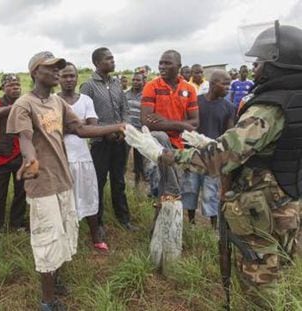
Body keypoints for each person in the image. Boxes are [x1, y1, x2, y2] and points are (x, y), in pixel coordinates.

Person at [126, 23, 302, 309]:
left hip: (262, 212)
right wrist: (210, 141)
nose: (254, 68)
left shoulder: (269, 108)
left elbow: (219, 159)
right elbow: (264, 149)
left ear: (277, 66)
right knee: (276, 275)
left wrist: (163, 155)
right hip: (285, 204)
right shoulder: (294, 102)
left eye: (259, 62)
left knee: (260, 290)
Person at [6, 51, 125, 311]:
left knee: (64, 234)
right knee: (47, 239)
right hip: (42, 184)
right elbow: (25, 138)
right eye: (51, 68)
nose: (57, 72)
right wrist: (30, 159)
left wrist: (115, 127)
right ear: (35, 72)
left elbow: (81, 129)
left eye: (59, 67)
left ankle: (55, 281)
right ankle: (48, 301)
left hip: (63, 179)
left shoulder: (58, 104)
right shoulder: (24, 104)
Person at [80, 47, 136, 233]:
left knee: (119, 181)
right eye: (108, 59)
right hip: (100, 143)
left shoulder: (117, 83)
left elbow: (125, 109)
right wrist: (105, 131)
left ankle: (124, 218)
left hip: (120, 141)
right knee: (98, 182)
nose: (113, 61)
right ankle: (98, 222)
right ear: (97, 63)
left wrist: (123, 127)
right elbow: (86, 115)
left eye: (113, 58)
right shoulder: (88, 86)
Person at [58, 62, 109, 253]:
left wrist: (73, 127)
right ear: (58, 79)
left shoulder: (86, 99)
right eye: (65, 76)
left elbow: (93, 127)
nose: (69, 79)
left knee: (89, 195)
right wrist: (79, 126)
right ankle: (66, 237)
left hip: (83, 157)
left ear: (77, 77)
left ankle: (95, 236)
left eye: (72, 75)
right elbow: (52, 129)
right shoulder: (53, 101)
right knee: (64, 199)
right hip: (61, 158)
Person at [141, 49, 198, 199]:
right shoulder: (151, 86)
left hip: (177, 147)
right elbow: (146, 122)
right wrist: (181, 125)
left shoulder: (189, 89)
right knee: (163, 193)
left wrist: (166, 122)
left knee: (172, 197)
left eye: (167, 63)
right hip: (156, 147)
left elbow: (195, 123)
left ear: (179, 66)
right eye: (160, 63)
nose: (162, 67)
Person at [182, 70, 235, 229]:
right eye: (224, 84)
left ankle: (213, 228)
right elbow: (187, 125)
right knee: (191, 188)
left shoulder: (229, 107)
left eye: (229, 84)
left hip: (214, 157)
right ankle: (191, 223)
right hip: (194, 153)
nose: (228, 87)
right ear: (212, 84)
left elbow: (229, 134)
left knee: (210, 192)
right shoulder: (196, 102)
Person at [0, 73, 27, 232]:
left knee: (21, 193)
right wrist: (19, 106)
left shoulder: (25, 101)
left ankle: (17, 224)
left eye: (17, 85)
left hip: (21, 155)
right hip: (1, 155)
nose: (15, 88)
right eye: (11, 85)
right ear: (3, 87)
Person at [126, 72, 147, 185]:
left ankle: (140, 177)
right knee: (124, 155)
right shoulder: (126, 94)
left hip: (140, 130)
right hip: (128, 130)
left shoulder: (146, 95)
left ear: (143, 82)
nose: (135, 82)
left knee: (140, 156)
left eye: (138, 80)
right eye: (133, 79)